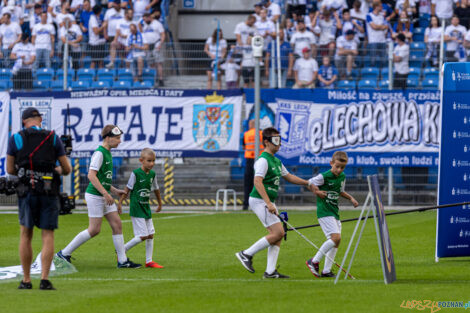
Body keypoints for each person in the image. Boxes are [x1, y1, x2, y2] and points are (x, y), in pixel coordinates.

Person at [56, 125, 141, 269]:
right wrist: (105, 193)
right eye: (117, 138)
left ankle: (122, 261)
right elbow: (91, 175)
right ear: (108, 138)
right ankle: (64, 253)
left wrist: (114, 190)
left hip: (102, 195)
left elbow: (103, 179)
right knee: (94, 229)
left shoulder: (107, 153)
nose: (120, 141)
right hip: (96, 196)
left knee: (117, 224)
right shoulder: (100, 153)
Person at [6, 107, 71, 290]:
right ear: (40, 119)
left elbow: (10, 169)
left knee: (26, 234)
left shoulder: (16, 138)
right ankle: (44, 279)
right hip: (49, 192)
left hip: (26, 191)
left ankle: (26, 280)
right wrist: (53, 170)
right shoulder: (52, 137)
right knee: (47, 234)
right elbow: (66, 169)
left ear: (24, 121)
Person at [236, 127, 310, 278]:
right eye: (275, 140)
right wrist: (268, 203)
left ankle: (270, 272)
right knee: (278, 232)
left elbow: (289, 176)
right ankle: (246, 254)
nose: (279, 144)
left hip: (268, 201)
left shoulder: (276, 161)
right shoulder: (263, 160)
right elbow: (257, 181)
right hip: (260, 201)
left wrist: (307, 183)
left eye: (280, 140)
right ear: (266, 142)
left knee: (278, 235)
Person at [306, 151, 358, 278]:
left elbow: (340, 191)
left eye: (342, 167)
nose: (339, 170)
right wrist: (317, 192)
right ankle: (314, 261)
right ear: (331, 163)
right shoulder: (324, 176)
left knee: (336, 242)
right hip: (324, 211)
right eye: (337, 166)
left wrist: (351, 198)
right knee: (335, 238)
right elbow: (310, 183)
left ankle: (326, 271)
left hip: (334, 211)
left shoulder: (342, 177)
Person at [118, 148, 164, 268]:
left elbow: (156, 189)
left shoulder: (153, 174)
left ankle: (149, 261)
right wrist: (120, 203)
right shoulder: (136, 173)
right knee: (143, 236)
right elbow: (127, 189)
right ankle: (122, 250)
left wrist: (160, 203)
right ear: (141, 160)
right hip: (136, 207)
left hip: (145, 207)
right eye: (149, 161)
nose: (152, 163)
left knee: (151, 235)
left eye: (153, 161)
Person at [242, 120, 264, 211]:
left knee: (248, 184)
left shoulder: (246, 134)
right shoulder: (262, 134)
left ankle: (246, 204)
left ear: (251, 125)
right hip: (260, 160)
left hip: (249, 161)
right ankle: (260, 204)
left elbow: (243, 147)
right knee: (260, 183)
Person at [140, 12, 165, 87]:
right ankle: (154, 78)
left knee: (158, 62)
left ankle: (161, 79)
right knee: (151, 63)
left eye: (145, 19)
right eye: (143, 20)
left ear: (149, 17)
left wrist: (160, 44)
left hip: (156, 44)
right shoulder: (144, 24)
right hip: (147, 46)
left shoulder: (157, 24)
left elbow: (163, 34)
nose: (144, 21)